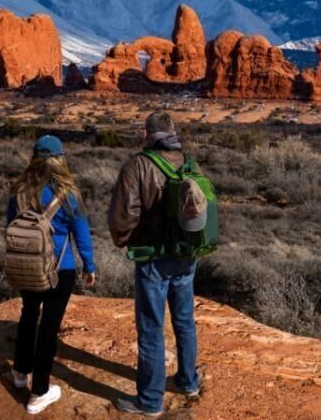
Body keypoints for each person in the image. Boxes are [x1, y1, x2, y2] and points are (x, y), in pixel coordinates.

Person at [108, 112, 204, 417]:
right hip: (187, 256)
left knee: (151, 328)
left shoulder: (137, 166)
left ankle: (150, 401)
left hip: (153, 260)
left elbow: (123, 216)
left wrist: (124, 240)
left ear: (146, 134)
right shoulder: (188, 161)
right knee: (185, 321)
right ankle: (188, 381)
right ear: (172, 132)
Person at [7, 134, 97, 415]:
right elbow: (81, 234)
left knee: (28, 315)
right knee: (49, 329)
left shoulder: (20, 189)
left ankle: (20, 372)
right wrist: (89, 266)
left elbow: (10, 226)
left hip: (28, 266)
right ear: (60, 159)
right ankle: (39, 393)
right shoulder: (68, 192)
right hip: (61, 268)